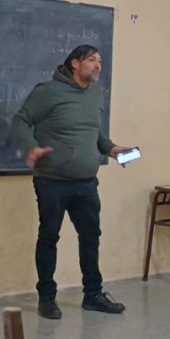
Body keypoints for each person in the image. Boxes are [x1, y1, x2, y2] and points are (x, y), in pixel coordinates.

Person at [12, 44, 133, 320]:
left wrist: (112, 149)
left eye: (100, 60)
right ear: (75, 63)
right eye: (92, 60)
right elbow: (21, 121)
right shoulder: (48, 92)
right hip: (52, 181)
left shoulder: (95, 96)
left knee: (91, 237)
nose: (98, 65)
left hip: (86, 182)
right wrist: (30, 146)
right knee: (49, 238)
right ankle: (47, 298)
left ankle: (93, 295)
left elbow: (95, 133)